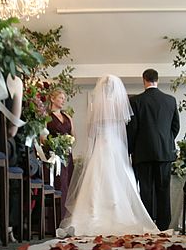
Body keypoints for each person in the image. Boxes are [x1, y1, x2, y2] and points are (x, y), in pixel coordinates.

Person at [57, 75, 159, 237]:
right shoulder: (119, 105)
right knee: (120, 178)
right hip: (116, 146)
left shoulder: (95, 106)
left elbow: (91, 133)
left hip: (101, 145)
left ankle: (92, 214)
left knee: (96, 178)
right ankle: (119, 214)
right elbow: (124, 131)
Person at [126, 68, 180, 230]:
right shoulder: (170, 100)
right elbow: (175, 127)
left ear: (144, 80)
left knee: (146, 189)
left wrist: (129, 149)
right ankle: (164, 226)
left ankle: (148, 224)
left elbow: (133, 129)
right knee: (163, 189)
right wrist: (166, 141)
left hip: (143, 153)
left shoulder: (136, 101)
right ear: (158, 79)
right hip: (165, 152)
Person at [45, 88, 76, 219]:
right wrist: (55, 146)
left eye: (64, 98)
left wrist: (68, 144)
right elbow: (43, 138)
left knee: (67, 186)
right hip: (53, 156)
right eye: (61, 98)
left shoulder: (67, 116)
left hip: (67, 157)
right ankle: (55, 220)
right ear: (52, 99)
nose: (63, 101)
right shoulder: (46, 116)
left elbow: (73, 135)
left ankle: (66, 219)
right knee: (57, 185)